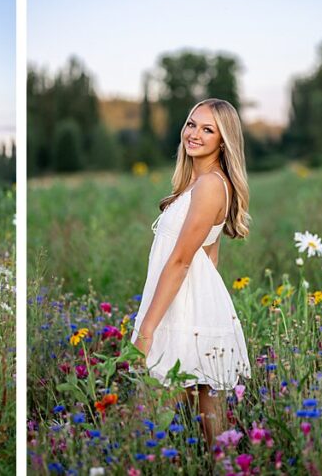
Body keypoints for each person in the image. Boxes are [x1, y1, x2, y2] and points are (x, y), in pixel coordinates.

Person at [130, 98, 252, 445]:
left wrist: (147, 330)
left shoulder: (212, 185)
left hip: (179, 314)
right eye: (191, 124)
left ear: (223, 140)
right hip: (189, 309)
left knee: (142, 429)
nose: (194, 134)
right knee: (212, 434)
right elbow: (210, 256)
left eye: (208, 129)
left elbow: (182, 260)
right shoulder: (196, 185)